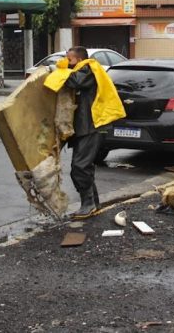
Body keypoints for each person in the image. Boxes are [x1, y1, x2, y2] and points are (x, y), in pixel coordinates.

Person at [44, 46, 125, 219]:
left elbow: (74, 81)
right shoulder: (82, 69)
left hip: (92, 127)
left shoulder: (89, 68)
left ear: (79, 60)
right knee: (84, 167)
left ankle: (88, 204)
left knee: (79, 167)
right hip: (86, 127)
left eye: (69, 59)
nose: (66, 62)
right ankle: (93, 204)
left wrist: (59, 69)